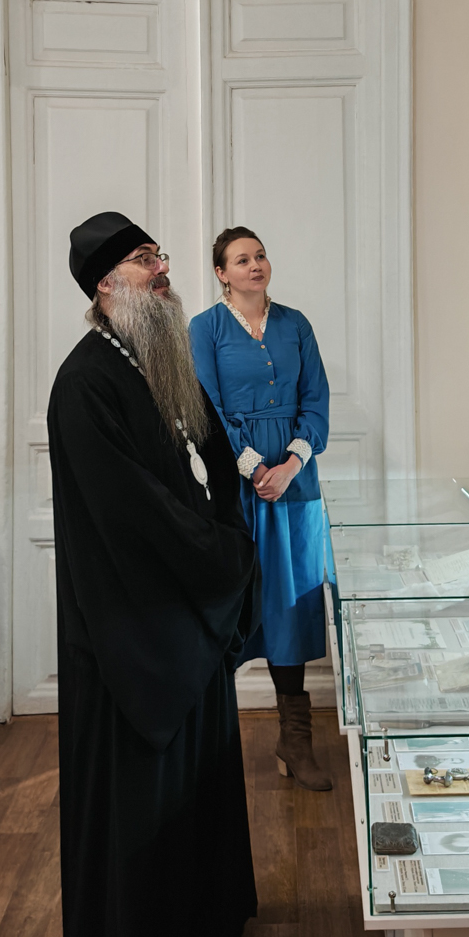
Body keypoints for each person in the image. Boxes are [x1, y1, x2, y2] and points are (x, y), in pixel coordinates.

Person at [47, 210, 259, 937]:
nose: (162, 269)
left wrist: (228, 532)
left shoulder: (154, 356)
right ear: (106, 284)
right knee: (136, 809)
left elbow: (208, 453)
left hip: (178, 615)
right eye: (144, 260)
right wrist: (221, 556)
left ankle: (201, 934)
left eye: (159, 255)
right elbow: (136, 515)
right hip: (130, 635)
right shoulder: (85, 383)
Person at [189, 228, 333, 791]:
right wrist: (252, 469)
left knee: (290, 607)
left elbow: (316, 403)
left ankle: (295, 739)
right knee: (229, 602)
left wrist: (290, 465)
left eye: (261, 255)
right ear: (221, 273)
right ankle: (207, 745)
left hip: (295, 485)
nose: (256, 265)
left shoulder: (296, 325)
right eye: (242, 259)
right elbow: (206, 408)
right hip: (235, 482)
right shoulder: (205, 328)